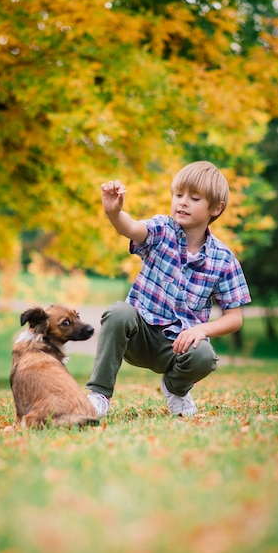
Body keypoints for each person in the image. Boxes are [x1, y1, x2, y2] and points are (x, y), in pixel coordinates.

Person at [86, 160, 251, 418]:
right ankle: (98, 395)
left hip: (177, 346)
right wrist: (113, 213)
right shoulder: (162, 230)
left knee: (205, 356)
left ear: (216, 208)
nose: (182, 202)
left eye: (194, 198)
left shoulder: (224, 259)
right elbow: (131, 227)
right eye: (178, 195)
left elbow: (234, 318)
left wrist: (201, 329)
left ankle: (176, 388)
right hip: (138, 336)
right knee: (119, 312)